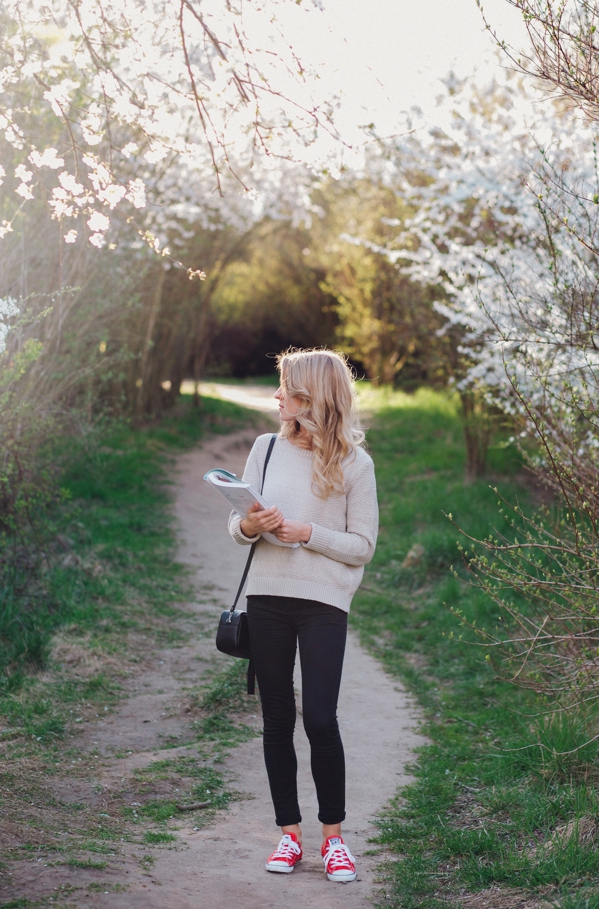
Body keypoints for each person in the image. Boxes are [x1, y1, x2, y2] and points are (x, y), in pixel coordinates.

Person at [228, 348, 378, 883]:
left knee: (319, 717)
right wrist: (252, 525)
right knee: (275, 720)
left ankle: (333, 840)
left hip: (323, 605)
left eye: (284, 388)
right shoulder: (266, 449)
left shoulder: (357, 465)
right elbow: (237, 526)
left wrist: (307, 533)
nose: (276, 397)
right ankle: (288, 836)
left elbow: (362, 545)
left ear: (312, 397)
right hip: (267, 598)